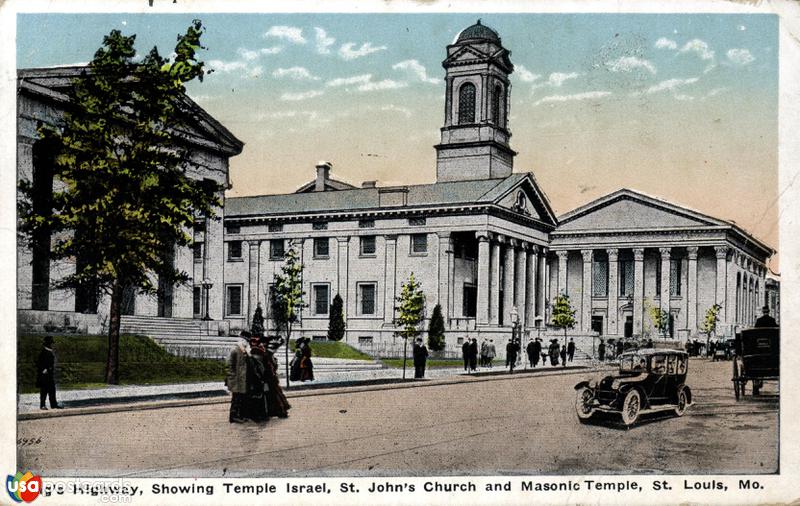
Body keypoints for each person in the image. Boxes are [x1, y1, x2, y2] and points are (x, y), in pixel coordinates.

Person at [261, 336, 291, 418]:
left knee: (273, 395)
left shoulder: (266, 353)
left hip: (270, 378)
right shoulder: (266, 353)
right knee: (273, 395)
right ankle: (278, 410)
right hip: (270, 378)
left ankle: (280, 411)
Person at [245, 335, 269, 422]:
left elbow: (261, 370)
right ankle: (261, 414)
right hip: (258, 379)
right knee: (260, 397)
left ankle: (258, 415)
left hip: (257, 380)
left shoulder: (255, 356)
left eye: (254, 342)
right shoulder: (257, 355)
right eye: (252, 342)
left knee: (257, 397)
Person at [226, 333, 249, 423]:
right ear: (242, 340)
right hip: (236, 380)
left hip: (242, 379)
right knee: (236, 399)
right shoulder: (235, 350)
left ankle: (240, 415)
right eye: (246, 340)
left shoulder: (244, 351)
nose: (247, 343)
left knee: (241, 399)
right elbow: (229, 365)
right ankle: (233, 416)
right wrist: (232, 378)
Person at [36, 336, 62, 410]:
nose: (51, 345)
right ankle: (42, 405)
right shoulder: (43, 351)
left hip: (49, 374)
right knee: (44, 390)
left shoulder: (49, 351)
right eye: (50, 343)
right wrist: (43, 370)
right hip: (44, 374)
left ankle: (53, 404)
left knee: (52, 390)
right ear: (47, 343)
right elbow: (39, 363)